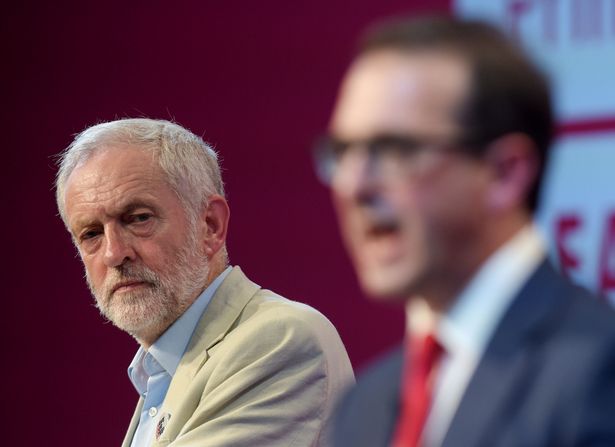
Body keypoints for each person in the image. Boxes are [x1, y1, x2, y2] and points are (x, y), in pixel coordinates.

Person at [313, 15, 615, 447]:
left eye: (395, 149)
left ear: (505, 174)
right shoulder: (364, 405)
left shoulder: (599, 370)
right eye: (343, 152)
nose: (354, 186)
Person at [55, 118, 354, 447]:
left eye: (138, 218)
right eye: (91, 234)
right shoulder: (162, 373)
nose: (114, 253)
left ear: (210, 225)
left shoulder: (280, 339)